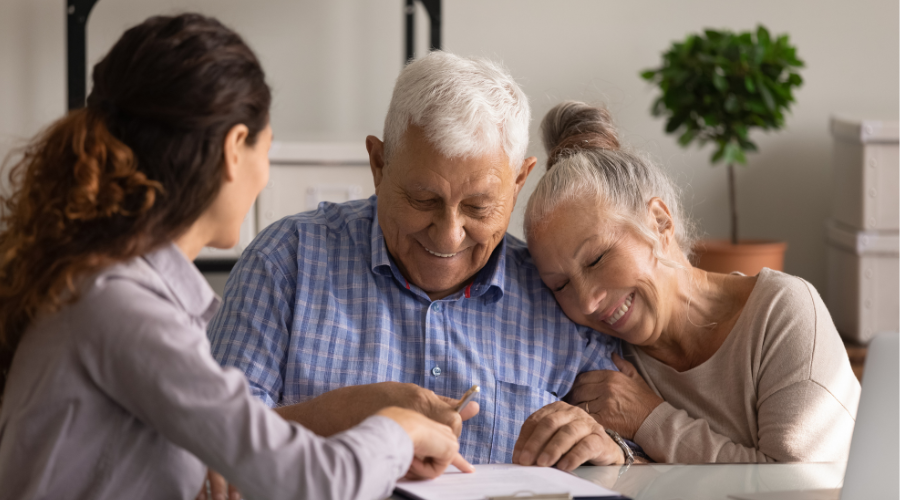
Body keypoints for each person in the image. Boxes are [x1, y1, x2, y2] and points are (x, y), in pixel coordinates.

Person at [0, 14, 471, 500]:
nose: (264, 176)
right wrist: (396, 429)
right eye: (265, 151)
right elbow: (309, 481)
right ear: (233, 150)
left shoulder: (113, 285)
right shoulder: (122, 305)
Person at [208, 52, 628, 468]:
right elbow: (206, 446)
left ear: (518, 182)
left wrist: (615, 452)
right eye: (422, 199)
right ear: (378, 163)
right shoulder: (285, 262)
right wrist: (339, 415)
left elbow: (640, 453)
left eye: (478, 207)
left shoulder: (564, 291)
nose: (448, 234)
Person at [517, 100, 861, 463]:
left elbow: (794, 486)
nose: (586, 302)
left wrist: (651, 419)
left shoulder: (781, 311)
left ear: (660, 222)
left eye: (597, 259)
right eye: (560, 286)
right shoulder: (601, 357)